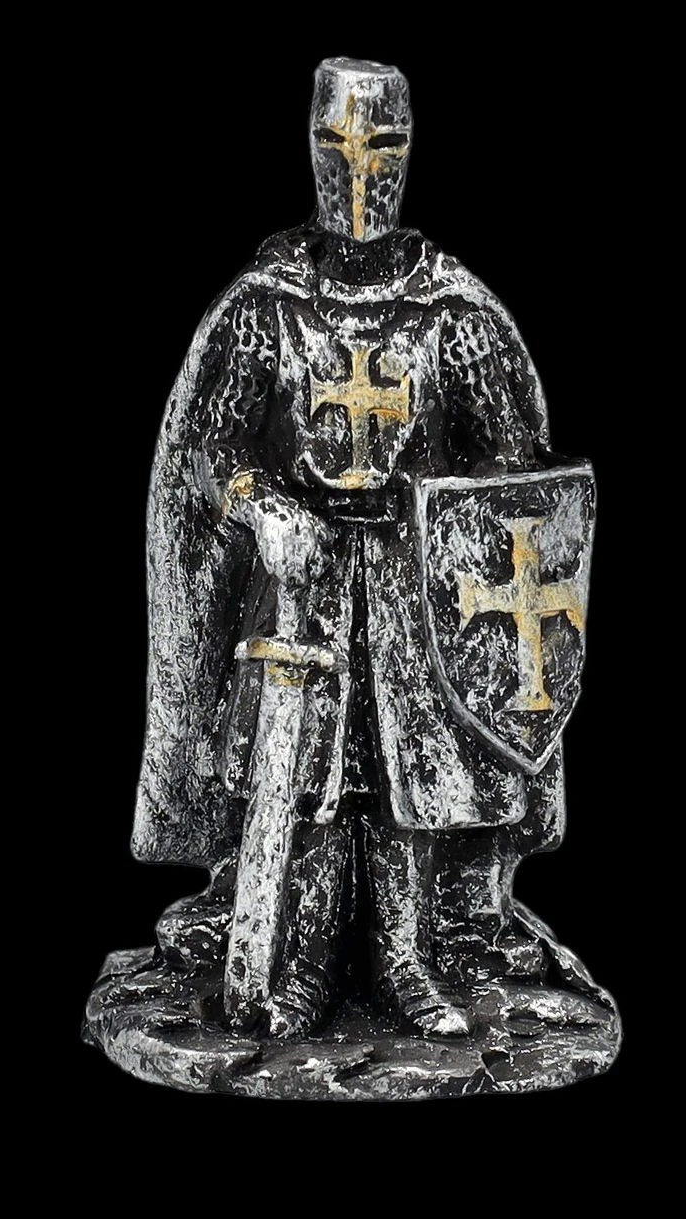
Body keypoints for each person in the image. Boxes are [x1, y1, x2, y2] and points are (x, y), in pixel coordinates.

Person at [132, 57, 568, 1040]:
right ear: (311, 145)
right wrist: (261, 507)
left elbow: (513, 472)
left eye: (384, 144)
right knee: (311, 775)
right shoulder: (269, 309)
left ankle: (407, 958)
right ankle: (306, 956)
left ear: (411, 151)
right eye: (337, 143)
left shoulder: (453, 316)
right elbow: (210, 445)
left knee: (408, 773)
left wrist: (457, 519)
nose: (360, 168)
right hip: (304, 582)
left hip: (414, 589)